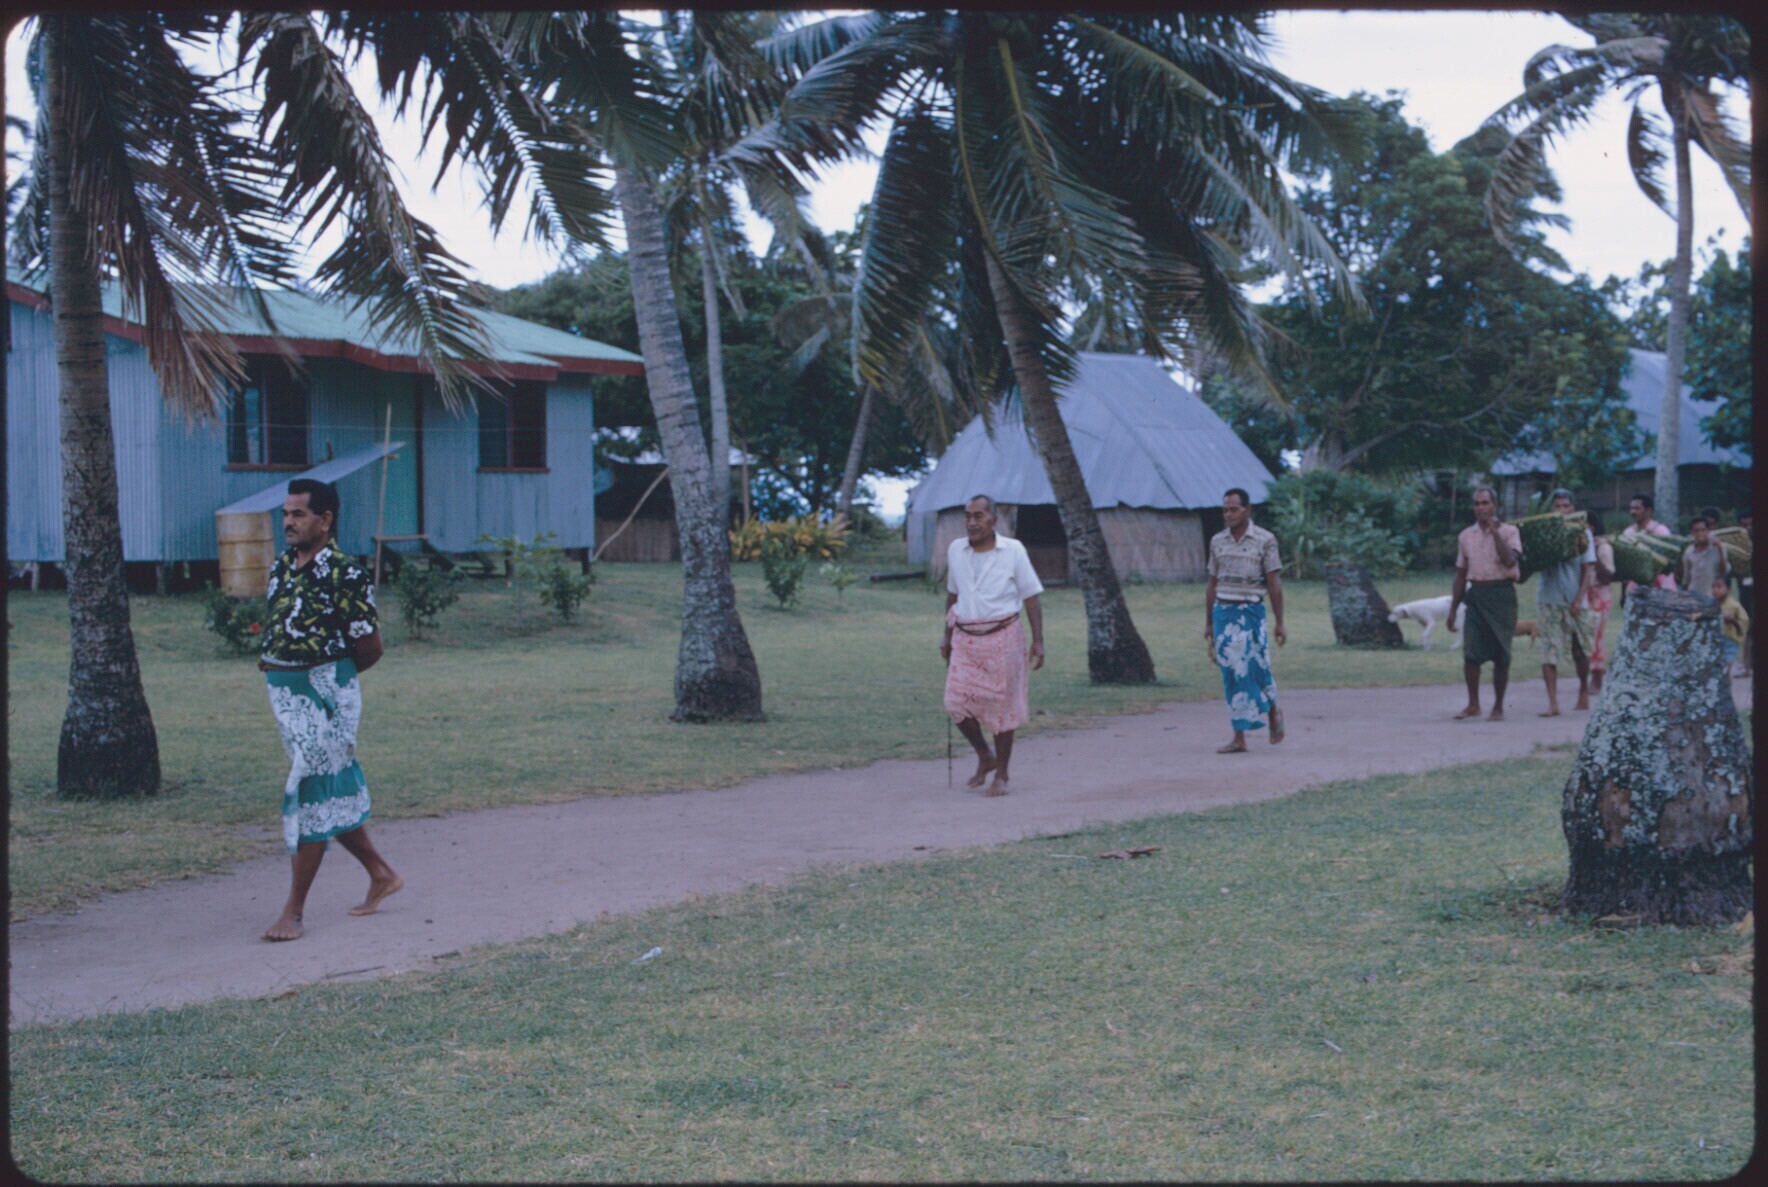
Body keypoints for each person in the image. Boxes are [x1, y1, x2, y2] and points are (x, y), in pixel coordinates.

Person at [258, 478, 402, 941]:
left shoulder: (345, 573)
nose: (288, 523)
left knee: (310, 787)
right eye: (285, 514)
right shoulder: (282, 567)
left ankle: (294, 912)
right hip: (287, 698)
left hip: (327, 695)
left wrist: (329, 682)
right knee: (327, 789)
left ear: (325, 520)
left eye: (298, 514)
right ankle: (381, 873)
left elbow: (370, 646)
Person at [941, 495, 1045, 796]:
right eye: (968, 516)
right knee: (955, 702)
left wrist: (1038, 641)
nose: (972, 522)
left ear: (993, 520)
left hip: (1004, 637)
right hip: (965, 638)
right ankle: (985, 756)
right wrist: (946, 636)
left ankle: (1002, 773)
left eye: (979, 516)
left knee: (1002, 707)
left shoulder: (1013, 550)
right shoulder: (956, 550)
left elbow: (1031, 597)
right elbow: (952, 595)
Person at [1204, 487, 1286, 752]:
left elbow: (1274, 583)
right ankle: (1239, 737)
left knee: (1256, 667)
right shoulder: (1218, 541)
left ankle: (1272, 710)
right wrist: (1209, 622)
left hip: (1251, 612)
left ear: (1247, 510)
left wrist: (1279, 622)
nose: (1228, 514)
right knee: (1231, 673)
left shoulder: (1265, 540)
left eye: (1234, 509)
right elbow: (1212, 583)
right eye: (1225, 510)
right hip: (1223, 613)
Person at [1447, 486, 1523, 720]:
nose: (1480, 508)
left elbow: (1509, 561)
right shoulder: (1466, 536)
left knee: (1501, 653)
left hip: (1501, 596)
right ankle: (1473, 704)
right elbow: (1461, 574)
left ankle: (1498, 706)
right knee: (1471, 652)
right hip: (1477, 595)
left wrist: (1494, 531)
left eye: (1485, 503)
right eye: (1477, 504)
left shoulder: (1510, 532)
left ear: (1495, 506)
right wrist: (1453, 609)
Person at [1533, 489, 1596, 716]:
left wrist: (1579, 598)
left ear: (1573, 508)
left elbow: (1588, 569)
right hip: (1548, 598)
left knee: (1580, 650)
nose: (1562, 510)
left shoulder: (1583, 533)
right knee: (1549, 651)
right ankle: (1553, 703)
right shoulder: (1543, 533)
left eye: (1566, 506)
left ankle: (1583, 690)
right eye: (1557, 506)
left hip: (1575, 599)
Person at [1578, 510, 1616, 696]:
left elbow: (1608, 576)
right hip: (1585, 593)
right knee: (1586, 636)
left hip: (1600, 593)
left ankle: (1597, 675)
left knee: (1597, 635)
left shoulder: (1604, 548)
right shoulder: (1580, 545)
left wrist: (1593, 555)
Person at [1620, 492, 1676, 592]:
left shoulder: (1660, 531)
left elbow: (1667, 560)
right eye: (1631, 508)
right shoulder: (1628, 533)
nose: (1633, 512)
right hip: (1636, 586)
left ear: (1648, 511)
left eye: (1637, 508)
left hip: (1661, 585)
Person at [1678, 514, 1730, 593]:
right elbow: (1687, 576)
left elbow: (1724, 572)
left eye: (1703, 530)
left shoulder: (1718, 547)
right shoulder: (1689, 551)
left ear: (1708, 531)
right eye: (1696, 531)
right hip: (1694, 593)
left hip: (1713, 594)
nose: (1700, 533)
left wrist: (1720, 549)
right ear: (1692, 533)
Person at [1714, 574, 1749, 678]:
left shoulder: (1734, 605)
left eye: (1719, 587)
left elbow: (1744, 620)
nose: (1715, 590)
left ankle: (1727, 685)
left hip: (1730, 641)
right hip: (1717, 640)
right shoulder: (1713, 603)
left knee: (1726, 669)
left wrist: (1733, 621)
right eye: (1713, 587)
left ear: (1728, 589)